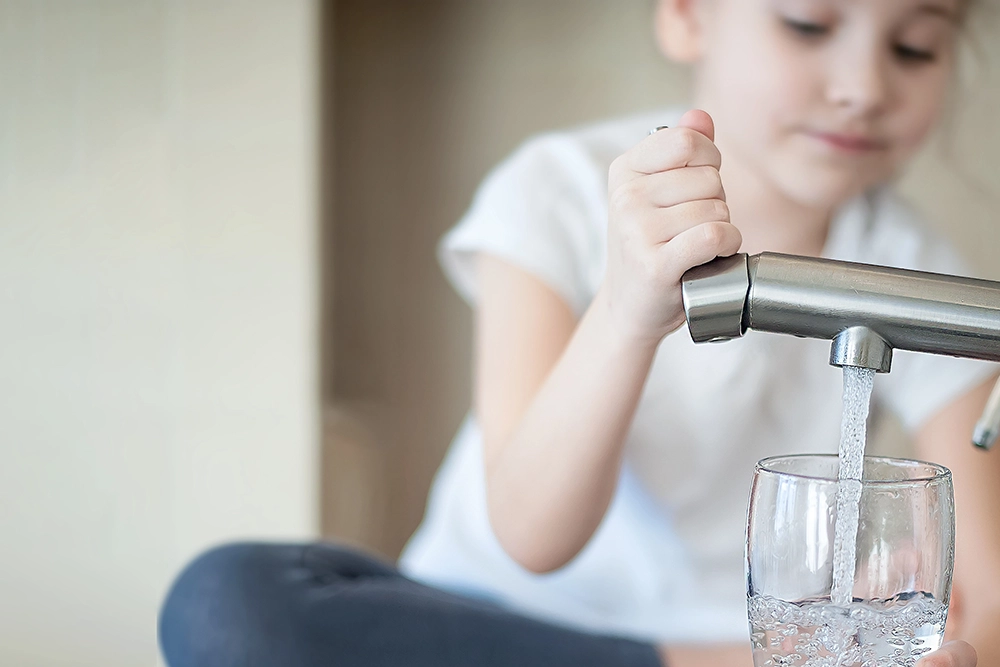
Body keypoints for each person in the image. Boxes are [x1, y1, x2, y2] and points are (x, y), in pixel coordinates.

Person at [159, 1, 998, 665]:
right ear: (685, 12)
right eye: (808, 24)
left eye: (916, 47)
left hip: (768, 640)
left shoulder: (914, 266)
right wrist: (628, 311)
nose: (863, 85)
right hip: (491, 629)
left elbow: (984, 595)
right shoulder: (558, 189)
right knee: (231, 602)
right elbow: (532, 537)